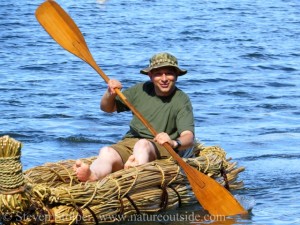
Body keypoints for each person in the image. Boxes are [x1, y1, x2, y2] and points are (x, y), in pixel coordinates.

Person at [74, 52, 195, 182]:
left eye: (169, 73)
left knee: (142, 145)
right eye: (158, 74)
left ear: (176, 75)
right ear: (150, 76)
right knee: (107, 151)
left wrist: (173, 142)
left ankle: (134, 174)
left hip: (162, 147)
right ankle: (93, 175)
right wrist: (110, 94)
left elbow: (188, 137)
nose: (164, 78)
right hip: (131, 141)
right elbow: (107, 108)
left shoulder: (182, 100)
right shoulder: (140, 89)